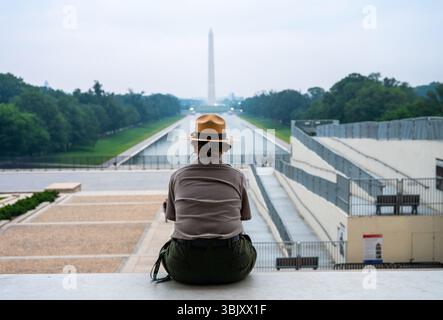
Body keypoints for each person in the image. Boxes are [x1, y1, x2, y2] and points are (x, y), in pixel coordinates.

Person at [151, 114, 257, 285]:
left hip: (184, 267)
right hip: (232, 267)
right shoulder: (237, 177)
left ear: (194, 146)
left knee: (168, 247)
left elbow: (173, 217)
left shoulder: (178, 177)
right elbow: (243, 217)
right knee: (247, 244)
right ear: (223, 148)